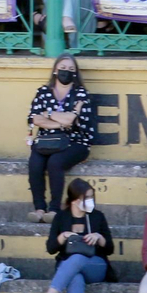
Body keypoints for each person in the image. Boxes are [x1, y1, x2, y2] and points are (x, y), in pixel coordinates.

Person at [38, 178, 113, 293]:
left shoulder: (97, 216)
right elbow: (50, 248)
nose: (91, 201)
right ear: (75, 200)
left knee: (77, 258)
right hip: (69, 267)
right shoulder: (61, 217)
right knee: (75, 276)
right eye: (87, 197)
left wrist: (98, 237)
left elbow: (110, 248)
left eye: (92, 197)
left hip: (96, 265)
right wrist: (63, 236)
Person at [26, 55, 95, 221]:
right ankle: (39, 209)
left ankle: (54, 209)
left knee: (55, 162)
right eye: (63, 68)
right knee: (35, 163)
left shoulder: (80, 94)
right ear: (56, 70)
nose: (67, 72)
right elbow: (35, 119)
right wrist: (62, 122)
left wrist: (49, 114)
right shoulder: (43, 92)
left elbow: (71, 121)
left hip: (76, 142)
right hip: (46, 141)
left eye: (71, 69)